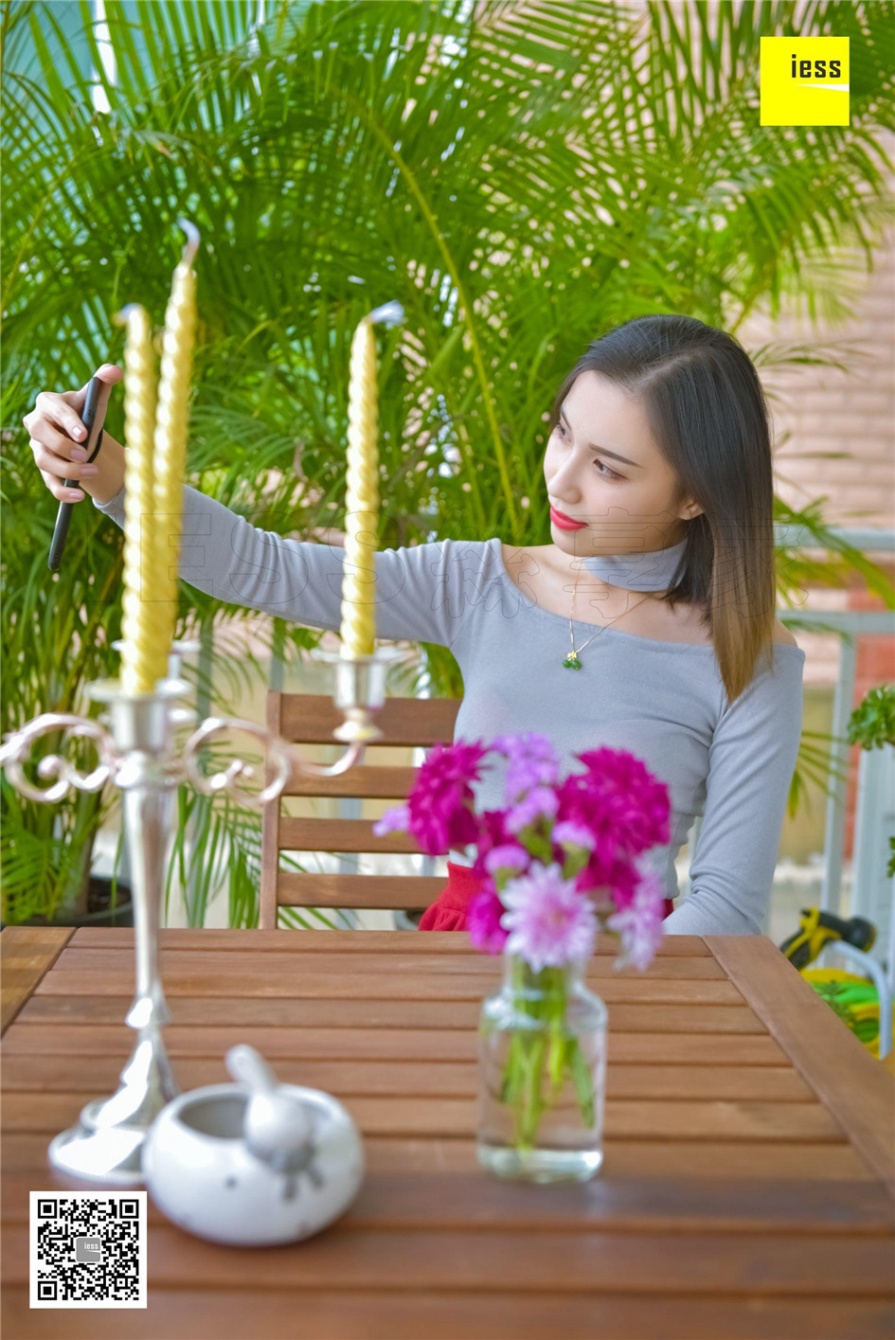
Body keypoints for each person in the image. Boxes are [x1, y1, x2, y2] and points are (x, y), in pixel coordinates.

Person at [26, 314, 805, 936]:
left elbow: (727, 910)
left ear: (694, 496)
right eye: (562, 432)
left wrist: (575, 1002)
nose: (560, 479)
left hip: (646, 983)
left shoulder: (751, 659)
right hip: (462, 958)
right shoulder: (475, 582)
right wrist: (112, 474)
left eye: (608, 467)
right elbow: (262, 567)